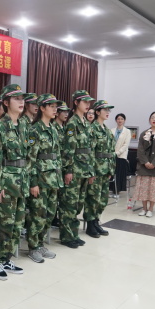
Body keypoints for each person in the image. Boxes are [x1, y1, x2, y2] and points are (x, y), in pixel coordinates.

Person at [0, 84, 30, 279]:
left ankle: (7, 258)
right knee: (4, 225)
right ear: (6, 102)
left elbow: (27, 156)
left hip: (21, 182)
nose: (21, 102)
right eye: (16, 99)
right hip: (6, 183)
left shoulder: (23, 125)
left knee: (17, 225)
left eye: (22, 99)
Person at [25, 93, 63, 263]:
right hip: (40, 180)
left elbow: (57, 156)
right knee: (37, 215)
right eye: (51, 106)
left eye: (56, 107)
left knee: (49, 214)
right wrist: (33, 182)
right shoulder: (34, 130)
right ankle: (33, 247)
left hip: (53, 179)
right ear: (42, 108)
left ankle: (40, 243)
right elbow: (30, 159)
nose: (55, 109)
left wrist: (59, 178)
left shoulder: (53, 129)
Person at [58, 90, 96, 248]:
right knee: (69, 204)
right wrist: (68, 170)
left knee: (79, 203)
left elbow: (90, 149)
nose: (88, 104)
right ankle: (67, 236)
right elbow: (68, 149)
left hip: (84, 170)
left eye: (89, 102)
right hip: (74, 170)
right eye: (84, 102)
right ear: (76, 102)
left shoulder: (86, 123)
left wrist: (91, 171)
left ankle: (74, 233)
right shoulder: (72, 123)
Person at [84, 100, 116, 237]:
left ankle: (96, 221)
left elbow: (112, 151)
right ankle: (90, 224)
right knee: (93, 197)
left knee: (102, 199)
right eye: (105, 110)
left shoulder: (107, 130)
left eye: (109, 110)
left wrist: (111, 169)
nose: (108, 112)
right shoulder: (92, 129)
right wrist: (91, 172)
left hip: (105, 169)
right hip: (96, 169)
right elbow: (90, 152)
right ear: (97, 112)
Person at [133, 111, 155, 217]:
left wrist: (154, 163)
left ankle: (151, 209)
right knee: (143, 188)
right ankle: (144, 208)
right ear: (149, 120)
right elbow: (140, 150)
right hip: (143, 166)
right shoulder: (144, 133)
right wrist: (145, 162)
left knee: (153, 189)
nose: (154, 119)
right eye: (152, 117)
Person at [111, 113, 131, 193]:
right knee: (112, 172)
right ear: (116, 120)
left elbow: (126, 144)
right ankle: (111, 189)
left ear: (124, 120)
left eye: (122, 119)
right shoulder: (111, 130)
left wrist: (118, 153)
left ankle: (117, 190)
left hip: (121, 155)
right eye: (118, 119)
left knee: (119, 173)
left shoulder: (127, 131)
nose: (120, 120)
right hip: (112, 154)